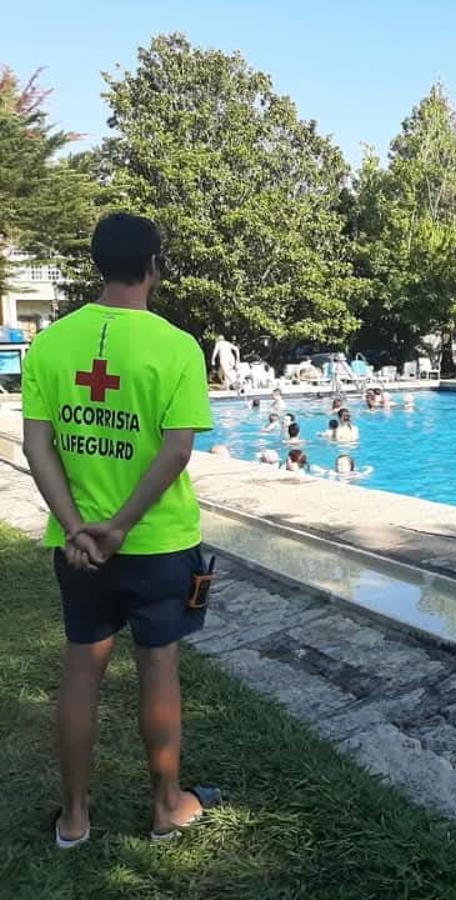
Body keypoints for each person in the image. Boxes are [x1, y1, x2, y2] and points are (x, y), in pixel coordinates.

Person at [20, 212, 218, 847]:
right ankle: (166, 809)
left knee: (82, 669)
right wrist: (121, 526)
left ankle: (74, 819)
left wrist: (79, 528)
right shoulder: (175, 346)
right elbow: (177, 451)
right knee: (159, 667)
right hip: (158, 543)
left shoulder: (51, 344)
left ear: (98, 263)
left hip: (78, 551)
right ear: (154, 265)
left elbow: (36, 447)